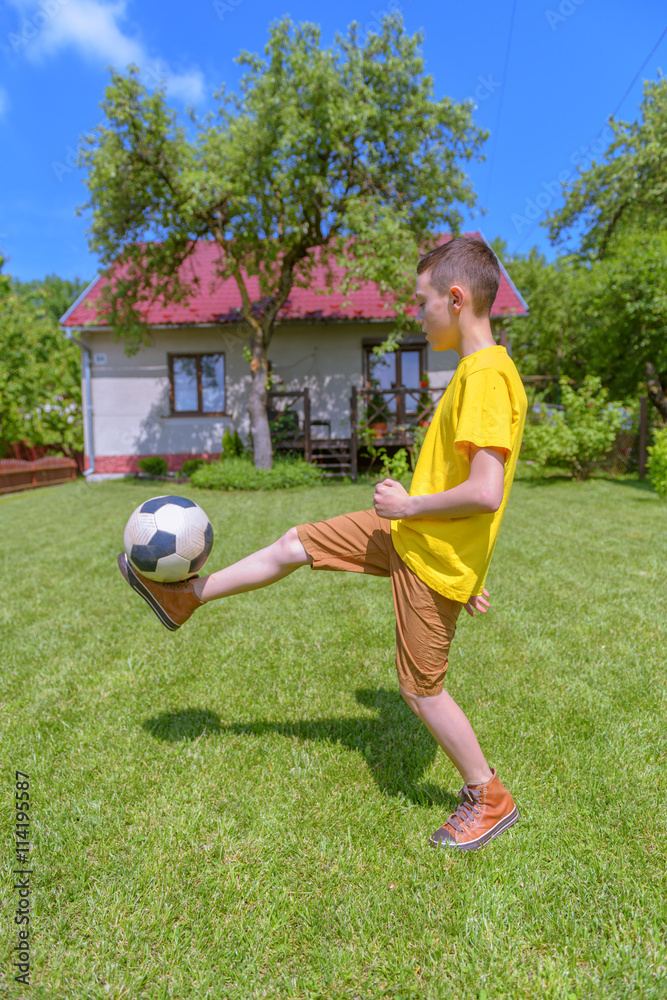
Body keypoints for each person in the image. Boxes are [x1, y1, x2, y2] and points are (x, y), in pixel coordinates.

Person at [118, 236, 527, 851]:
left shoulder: (488, 376)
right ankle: (188, 598)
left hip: (425, 549)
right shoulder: (475, 371)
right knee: (295, 544)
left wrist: (415, 511)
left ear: (456, 297)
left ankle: (488, 795)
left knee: (421, 690)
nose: (418, 315)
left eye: (422, 303)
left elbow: (486, 490)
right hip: (410, 538)